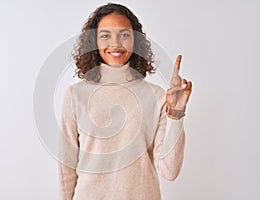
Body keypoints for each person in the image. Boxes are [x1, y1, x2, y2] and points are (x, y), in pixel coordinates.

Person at [58, 3, 192, 200]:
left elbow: (169, 171)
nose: (115, 43)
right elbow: (66, 169)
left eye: (124, 34)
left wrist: (177, 113)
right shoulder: (75, 95)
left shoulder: (157, 96)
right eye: (105, 35)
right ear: (94, 42)